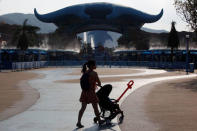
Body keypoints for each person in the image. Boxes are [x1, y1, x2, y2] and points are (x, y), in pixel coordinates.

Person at [76, 60, 103, 128]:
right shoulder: (94, 73)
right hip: (91, 93)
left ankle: (78, 122)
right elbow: (99, 83)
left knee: (82, 108)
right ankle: (99, 120)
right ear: (91, 66)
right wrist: (95, 83)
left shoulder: (85, 72)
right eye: (94, 65)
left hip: (84, 92)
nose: (95, 66)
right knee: (95, 108)